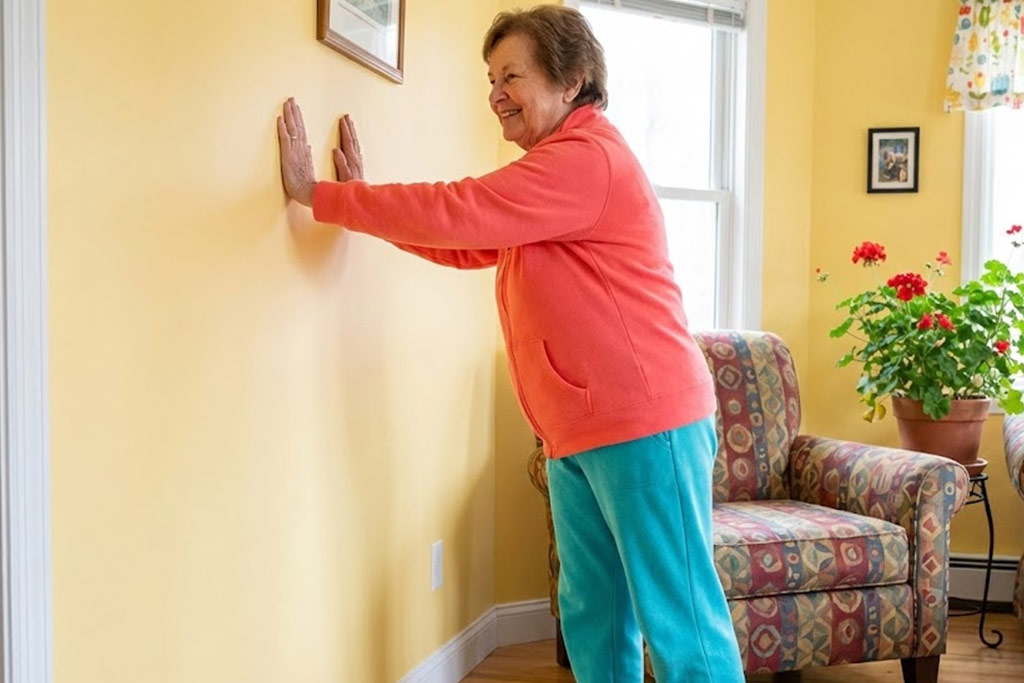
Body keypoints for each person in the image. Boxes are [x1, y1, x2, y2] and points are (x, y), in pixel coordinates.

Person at [277, 6, 744, 682]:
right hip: (575, 431)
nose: (495, 93)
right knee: (595, 615)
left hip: (648, 422)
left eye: (512, 76)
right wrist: (356, 203)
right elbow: (468, 239)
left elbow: (461, 208)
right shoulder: (556, 173)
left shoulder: (588, 159)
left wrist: (321, 196)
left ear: (572, 79)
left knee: (682, 623)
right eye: (490, 78)